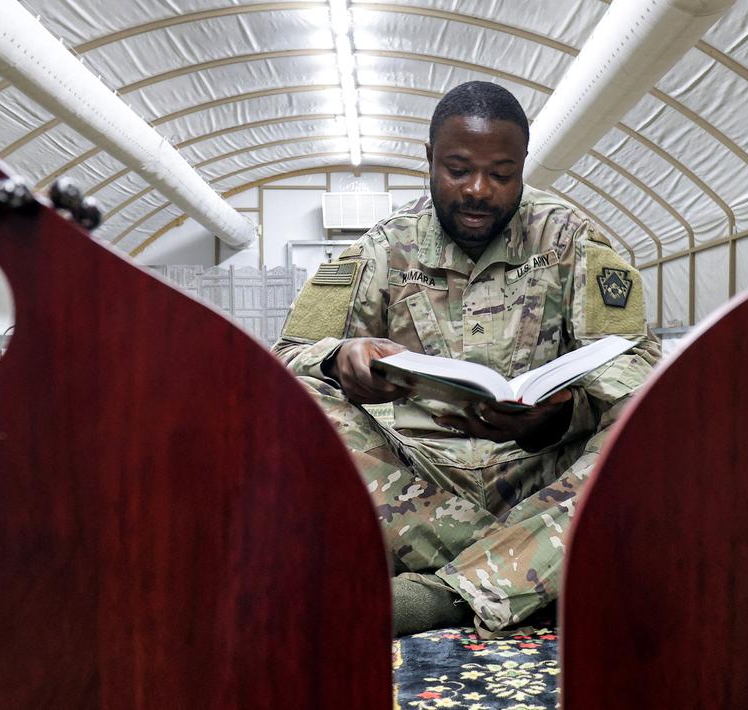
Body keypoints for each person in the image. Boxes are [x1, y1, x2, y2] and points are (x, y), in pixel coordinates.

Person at [272, 81, 661, 635]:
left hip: (542, 477)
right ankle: (533, 566)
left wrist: (561, 414)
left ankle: (447, 593)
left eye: (501, 175)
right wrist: (341, 359)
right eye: (458, 170)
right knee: (298, 404)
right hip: (414, 486)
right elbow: (286, 357)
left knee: (652, 422)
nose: (478, 190)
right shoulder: (384, 248)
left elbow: (638, 361)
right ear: (429, 160)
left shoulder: (573, 241)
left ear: (524, 167)